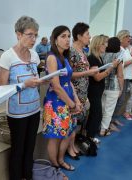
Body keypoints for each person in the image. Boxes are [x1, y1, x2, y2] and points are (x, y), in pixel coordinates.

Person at [0, 16, 45, 180]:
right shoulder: (7, 57)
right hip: (17, 113)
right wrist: (24, 84)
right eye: (29, 34)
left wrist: (39, 81)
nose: (33, 39)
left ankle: (28, 175)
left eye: (36, 35)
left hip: (34, 109)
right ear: (18, 34)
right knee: (18, 149)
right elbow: (1, 89)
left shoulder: (35, 56)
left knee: (30, 146)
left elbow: (35, 80)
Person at [43, 25, 81, 173]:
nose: (67, 40)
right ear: (55, 39)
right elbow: (57, 86)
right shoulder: (52, 58)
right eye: (63, 36)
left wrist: (76, 100)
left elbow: (69, 81)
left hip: (69, 101)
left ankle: (60, 160)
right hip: (56, 103)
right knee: (55, 136)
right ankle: (55, 166)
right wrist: (72, 104)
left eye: (68, 36)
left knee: (67, 133)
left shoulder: (64, 57)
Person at [69, 22, 98, 155]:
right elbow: (69, 75)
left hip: (83, 92)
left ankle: (73, 144)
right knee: (72, 121)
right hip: (74, 92)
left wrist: (90, 70)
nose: (90, 37)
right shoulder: (72, 51)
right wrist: (87, 73)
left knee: (77, 121)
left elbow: (82, 70)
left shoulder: (82, 51)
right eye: (87, 34)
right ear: (79, 36)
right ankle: (70, 147)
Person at [86, 35, 118, 139]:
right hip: (94, 90)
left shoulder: (98, 57)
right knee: (96, 115)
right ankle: (90, 137)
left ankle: (89, 136)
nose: (106, 45)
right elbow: (98, 77)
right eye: (104, 43)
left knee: (95, 115)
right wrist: (110, 68)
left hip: (98, 90)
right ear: (98, 44)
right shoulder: (92, 58)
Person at [100, 37, 124, 134]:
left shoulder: (102, 55)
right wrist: (121, 88)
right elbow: (120, 75)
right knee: (109, 110)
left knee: (102, 108)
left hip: (101, 84)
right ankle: (104, 129)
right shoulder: (118, 57)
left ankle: (98, 126)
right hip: (113, 87)